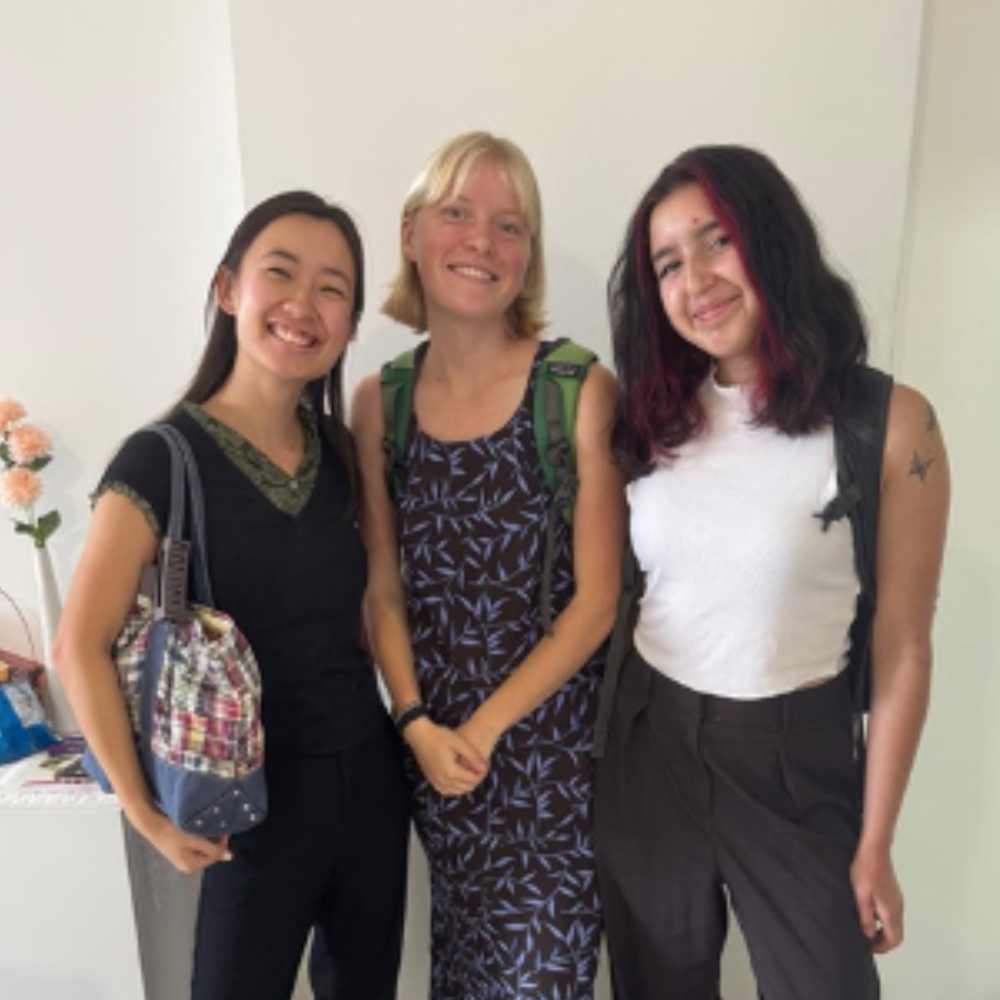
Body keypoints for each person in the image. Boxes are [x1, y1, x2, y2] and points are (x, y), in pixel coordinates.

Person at [593, 144, 950, 1000]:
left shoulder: (889, 423)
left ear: (772, 240)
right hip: (651, 745)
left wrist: (875, 843)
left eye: (718, 242)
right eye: (668, 263)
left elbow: (903, 646)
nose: (696, 280)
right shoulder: (649, 420)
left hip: (797, 755)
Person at [54, 191, 409, 1000]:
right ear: (227, 290)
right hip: (242, 804)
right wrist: (144, 813)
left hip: (367, 786)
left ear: (351, 322)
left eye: (332, 288)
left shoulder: (343, 453)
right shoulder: (160, 458)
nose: (303, 305)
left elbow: (371, 608)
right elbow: (79, 644)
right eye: (279, 274)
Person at [350, 131, 623, 999]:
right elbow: (382, 587)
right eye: (457, 213)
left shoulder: (576, 386)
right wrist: (418, 724)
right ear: (411, 233)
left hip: (554, 773)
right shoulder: (380, 401)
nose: (481, 242)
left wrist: (481, 731)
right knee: (462, 974)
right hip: (434, 763)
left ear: (529, 256)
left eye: (511, 226)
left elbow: (597, 600)